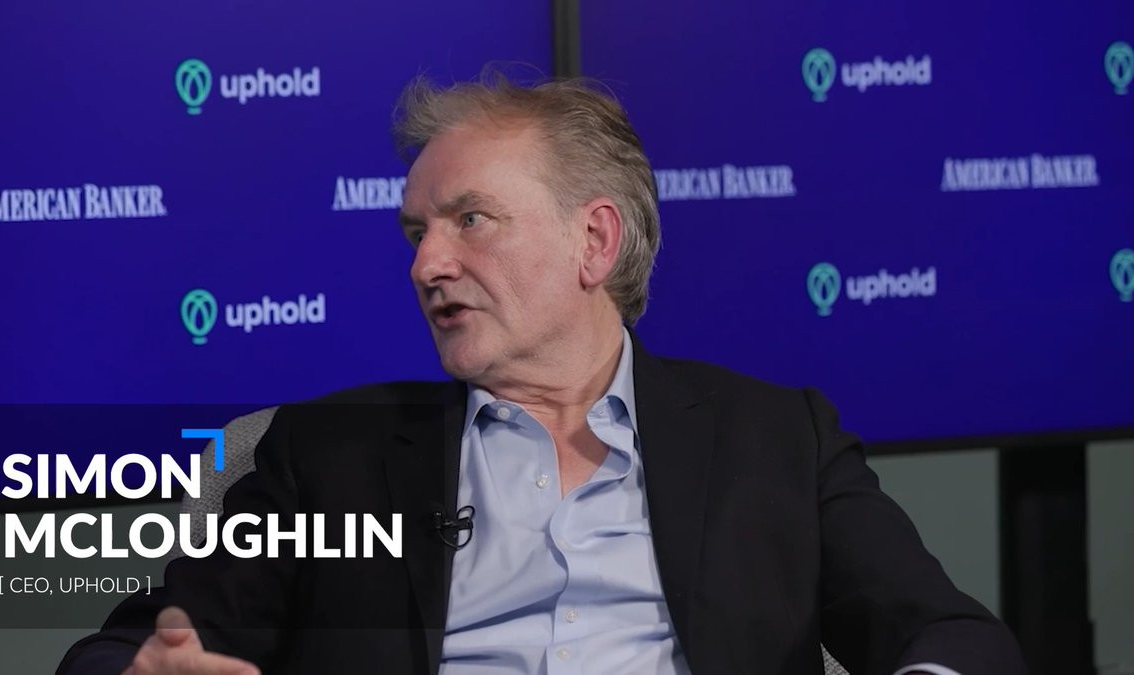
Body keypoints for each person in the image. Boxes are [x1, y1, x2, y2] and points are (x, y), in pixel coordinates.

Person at [59, 73, 1025, 675]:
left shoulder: (776, 437)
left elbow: (954, 636)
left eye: (470, 220)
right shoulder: (328, 455)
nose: (426, 264)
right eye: (416, 231)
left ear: (594, 240)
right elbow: (120, 648)